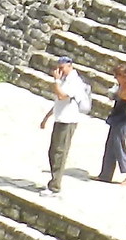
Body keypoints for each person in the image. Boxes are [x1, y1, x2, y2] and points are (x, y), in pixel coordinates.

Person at [38, 57, 89, 195]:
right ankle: (53, 181)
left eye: (62, 68)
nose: (59, 71)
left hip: (68, 120)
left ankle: (55, 186)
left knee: (60, 153)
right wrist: (46, 118)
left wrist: (56, 81)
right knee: (53, 151)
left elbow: (62, 96)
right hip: (60, 118)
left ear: (69, 66)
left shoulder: (74, 81)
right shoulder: (65, 80)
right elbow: (57, 102)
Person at [98, 62, 126, 186]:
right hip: (117, 117)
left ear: (123, 75)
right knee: (110, 145)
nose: (116, 78)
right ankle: (105, 174)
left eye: (117, 75)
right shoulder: (121, 86)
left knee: (119, 146)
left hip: (123, 120)